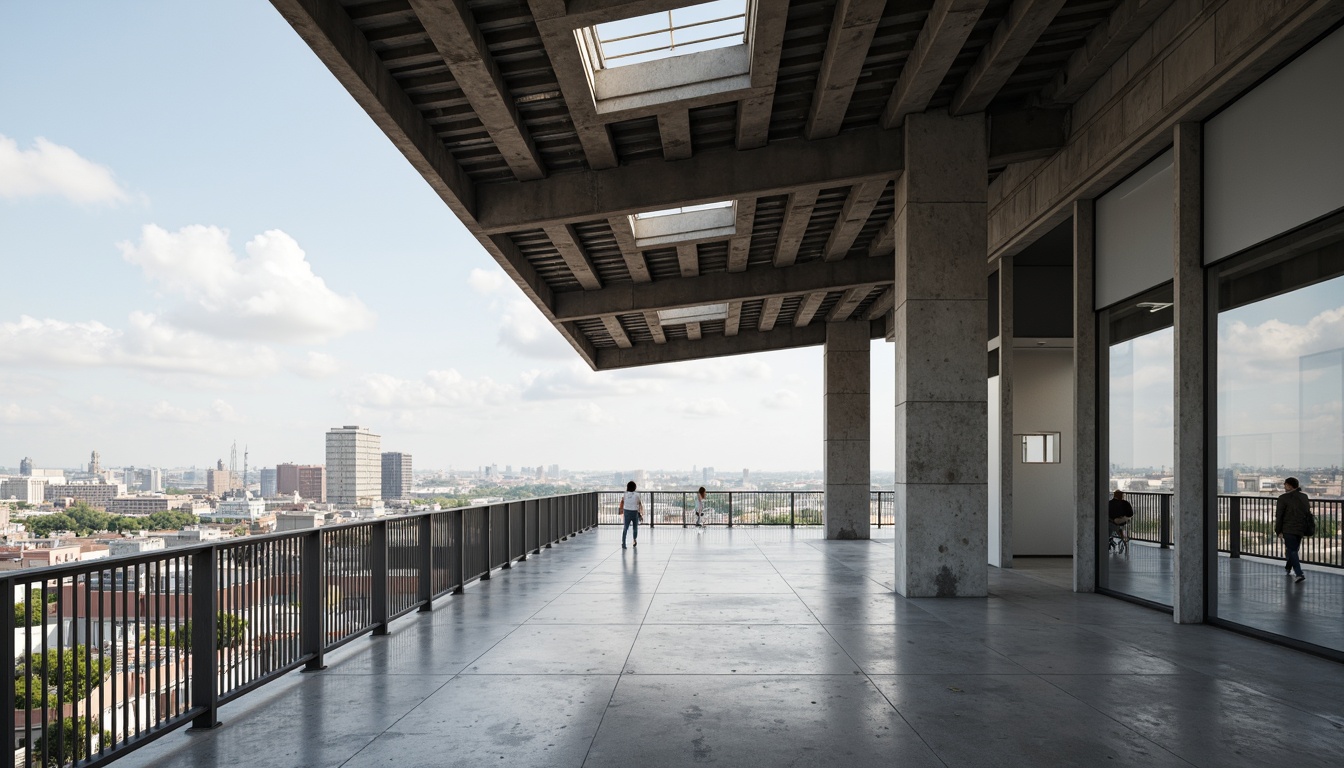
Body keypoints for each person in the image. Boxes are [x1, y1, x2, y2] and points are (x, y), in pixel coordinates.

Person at [1275, 476, 1311, 583]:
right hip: (1301, 528)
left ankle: (1299, 573)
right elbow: (1307, 512)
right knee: (1293, 549)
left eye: (1285, 485)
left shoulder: (1283, 498)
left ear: (1289, 486)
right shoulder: (1304, 497)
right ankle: (1287, 567)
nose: (1284, 487)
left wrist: (1278, 530)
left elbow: (1279, 516)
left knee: (1292, 550)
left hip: (1288, 528)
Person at [621, 480, 643, 549]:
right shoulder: (637, 495)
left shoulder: (625, 494)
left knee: (625, 528)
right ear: (634, 487)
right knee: (635, 528)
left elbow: (623, 501)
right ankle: (634, 540)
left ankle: (624, 543)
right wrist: (640, 514)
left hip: (626, 512)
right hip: (634, 512)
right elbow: (639, 503)